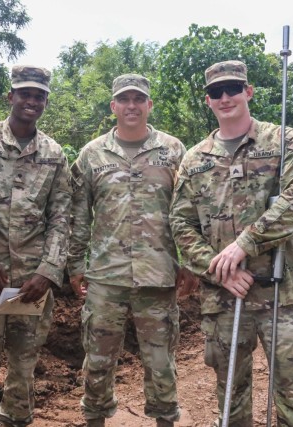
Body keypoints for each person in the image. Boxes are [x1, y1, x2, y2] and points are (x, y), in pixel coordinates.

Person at [169, 60, 293, 426]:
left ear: (248, 92)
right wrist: (217, 269)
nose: (225, 98)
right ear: (208, 100)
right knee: (231, 398)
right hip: (225, 298)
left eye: (232, 89)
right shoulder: (195, 160)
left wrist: (246, 243)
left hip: (281, 294)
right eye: (215, 92)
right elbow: (180, 223)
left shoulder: (286, 142)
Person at [68, 73, 198, 427]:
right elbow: (79, 215)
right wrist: (75, 265)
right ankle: (95, 419)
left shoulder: (173, 151)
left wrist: (190, 263)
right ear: (113, 106)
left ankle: (165, 420)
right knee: (97, 361)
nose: (131, 106)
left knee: (160, 363)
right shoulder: (91, 154)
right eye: (124, 99)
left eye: (138, 99)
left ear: (149, 105)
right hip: (106, 278)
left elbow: (187, 211)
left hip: (159, 276)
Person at [0, 65, 72, 427]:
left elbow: (60, 218)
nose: (31, 100)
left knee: (23, 369)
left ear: (45, 102)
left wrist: (47, 273)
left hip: (29, 284)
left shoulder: (53, 153)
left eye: (39, 95)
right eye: (24, 93)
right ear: (10, 97)